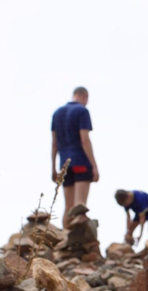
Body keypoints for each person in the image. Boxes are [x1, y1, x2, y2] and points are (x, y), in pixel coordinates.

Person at [51, 86, 99, 228]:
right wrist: (94, 166)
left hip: (64, 164)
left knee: (68, 206)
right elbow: (85, 139)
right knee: (80, 206)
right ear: (85, 96)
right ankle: (76, 245)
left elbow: (54, 144)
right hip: (80, 161)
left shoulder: (57, 113)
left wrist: (53, 168)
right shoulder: (82, 111)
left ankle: (64, 239)